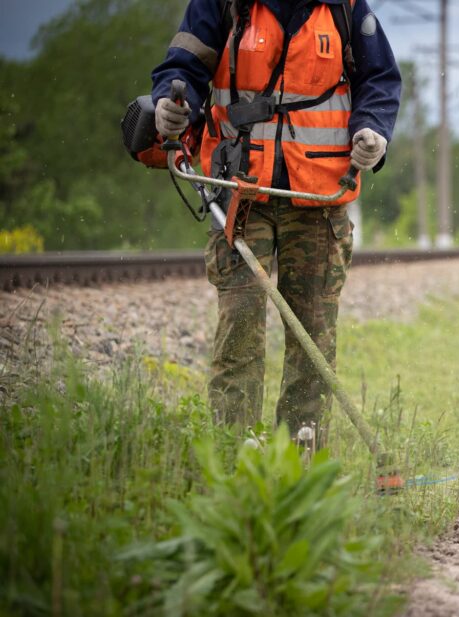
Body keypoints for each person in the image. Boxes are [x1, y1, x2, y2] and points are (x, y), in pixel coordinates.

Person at [150, 0, 401, 436]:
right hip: (240, 191)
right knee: (240, 332)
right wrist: (169, 104)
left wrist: (374, 128)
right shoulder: (220, 3)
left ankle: (298, 467)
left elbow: (379, 79)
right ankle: (234, 462)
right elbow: (182, 70)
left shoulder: (345, 7)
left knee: (313, 339)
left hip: (319, 196)